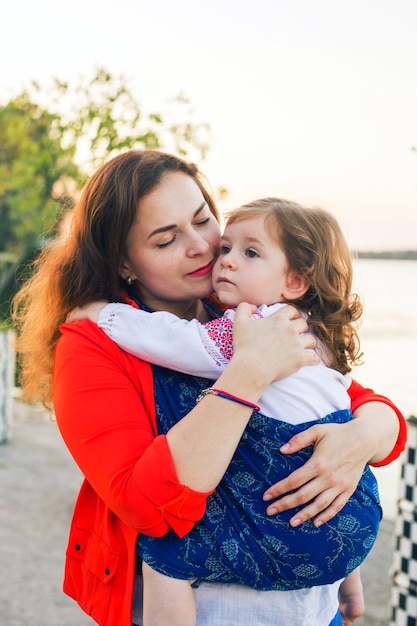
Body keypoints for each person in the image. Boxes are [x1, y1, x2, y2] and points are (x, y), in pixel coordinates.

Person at [11, 150, 406, 626]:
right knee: (166, 554)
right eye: (166, 240)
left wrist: (359, 439)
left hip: (313, 610)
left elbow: (354, 399)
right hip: (214, 610)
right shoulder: (92, 348)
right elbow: (147, 508)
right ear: (124, 262)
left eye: (202, 219)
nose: (201, 245)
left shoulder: (241, 302)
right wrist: (248, 374)